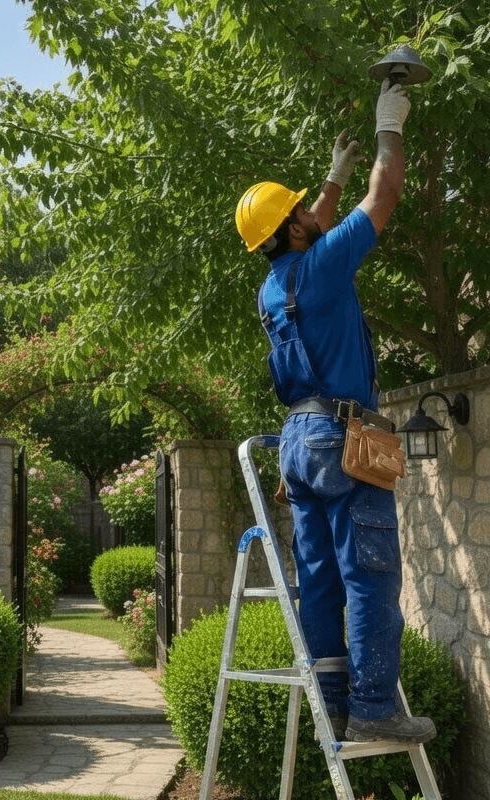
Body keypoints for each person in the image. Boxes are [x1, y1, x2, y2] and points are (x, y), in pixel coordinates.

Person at [234, 79, 436, 745]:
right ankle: (376, 705)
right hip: (346, 437)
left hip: (299, 442)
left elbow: (306, 227)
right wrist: (388, 126)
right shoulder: (322, 267)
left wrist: (326, 180)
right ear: (294, 228)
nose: (312, 211)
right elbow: (385, 197)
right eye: (303, 210)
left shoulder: (273, 287)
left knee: (318, 576)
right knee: (370, 570)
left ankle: (334, 704)